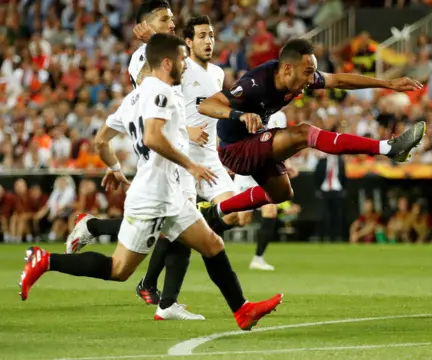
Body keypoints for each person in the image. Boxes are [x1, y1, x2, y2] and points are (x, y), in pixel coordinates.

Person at [20, 33, 282, 330]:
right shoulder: (163, 93)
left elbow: (100, 140)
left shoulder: (133, 98)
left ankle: (242, 311)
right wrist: (191, 165)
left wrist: (115, 167)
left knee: (211, 243)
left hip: (168, 193)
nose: (185, 64)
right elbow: (152, 137)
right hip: (153, 196)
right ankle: (45, 260)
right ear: (167, 62)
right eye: (182, 59)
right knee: (119, 269)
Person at [65, 4, 210, 311]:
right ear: (146, 25)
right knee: (177, 225)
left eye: (172, 18)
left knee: (173, 225)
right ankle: (161, 297)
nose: (172, 23)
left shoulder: (177, 52)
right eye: (164, 19)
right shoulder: (141, 58)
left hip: (181, 147)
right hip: (160, 153)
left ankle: (151, 286)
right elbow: (150, 91)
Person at [197, 38, 426, 226]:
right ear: (287, 68)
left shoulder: (297, 76)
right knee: (304, 133)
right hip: (234, 148)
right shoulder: (255, 83)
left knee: (282, 194)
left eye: (312, 73)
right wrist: (239, 115)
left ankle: (215, 211)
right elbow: (206, 105)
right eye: (308, 73)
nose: (311, 80)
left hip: (255, 141)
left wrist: (388, 84)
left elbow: (338, 80)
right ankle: (388, 148)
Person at [229, 110, 297, 270]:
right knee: (240, 219)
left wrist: (287, 165)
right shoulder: (252, 111)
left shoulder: (280, 116)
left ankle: (258, 258)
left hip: (266, 172)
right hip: (247, 171)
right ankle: (204, 225)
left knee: (270, 210)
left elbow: (282, 144)